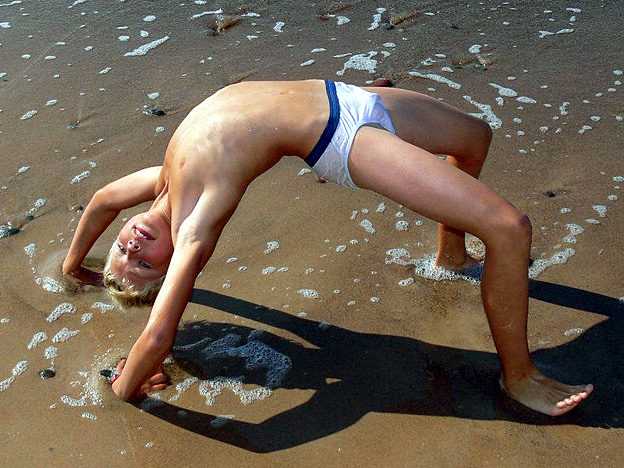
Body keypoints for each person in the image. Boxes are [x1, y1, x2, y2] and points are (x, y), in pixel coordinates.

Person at [62, 79, 593, 416]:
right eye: (142, 265)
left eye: (120, 252)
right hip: (338, 136)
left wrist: (73, 267)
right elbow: (159, 334)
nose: (131, 248)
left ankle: (450, 255)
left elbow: (102, 200)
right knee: (509, 228)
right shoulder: (194, 224)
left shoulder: (161, 183)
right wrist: (125, 386)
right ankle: (520, 378)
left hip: (347, 95)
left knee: (475, 137)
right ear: (171, 267)